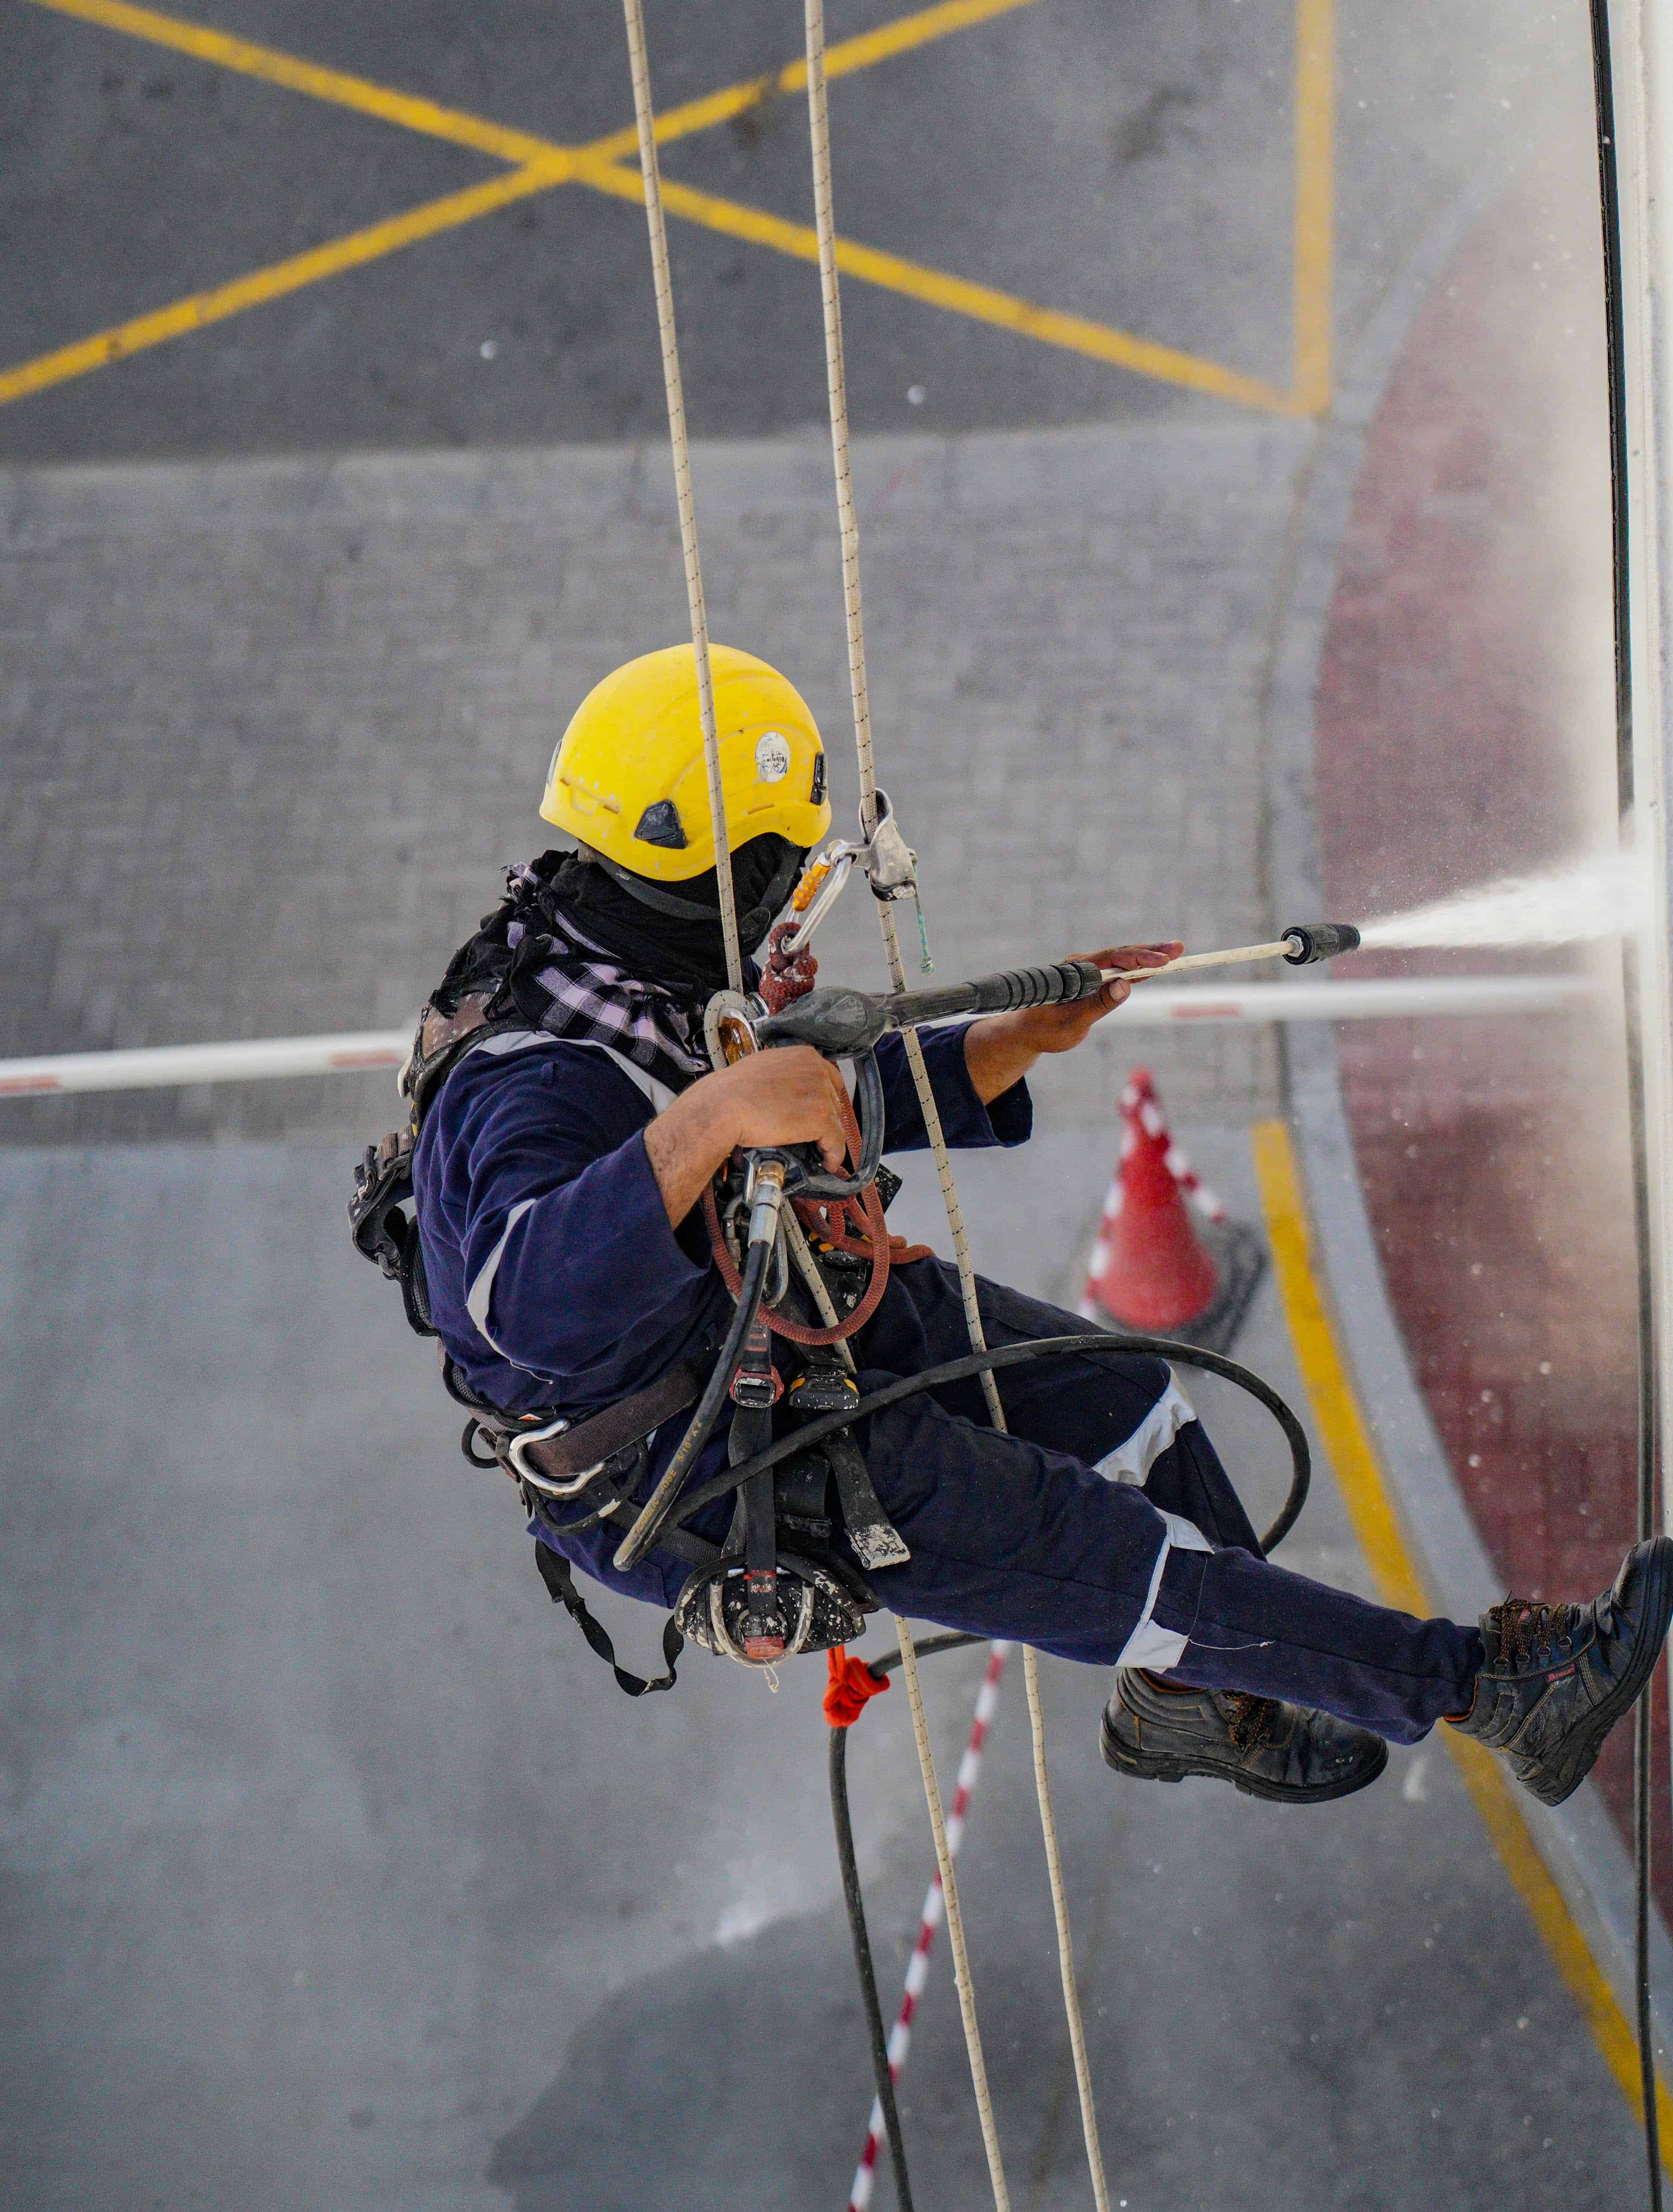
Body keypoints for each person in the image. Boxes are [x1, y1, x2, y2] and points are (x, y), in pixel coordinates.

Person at [411, 644, 1672, 1807]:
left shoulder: (629, 971)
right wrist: (714, 1118)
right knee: (1124, 1569)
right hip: (691, 1462)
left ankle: (1194, 1703)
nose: (798, 901)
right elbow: (527, 1305)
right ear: (726, 871)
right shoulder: (535, 1078)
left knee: (1129, 1404)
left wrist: (1007, 1043)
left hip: (756, 1319)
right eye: (784, 871)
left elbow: (798, 1107)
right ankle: (1489, 1694)